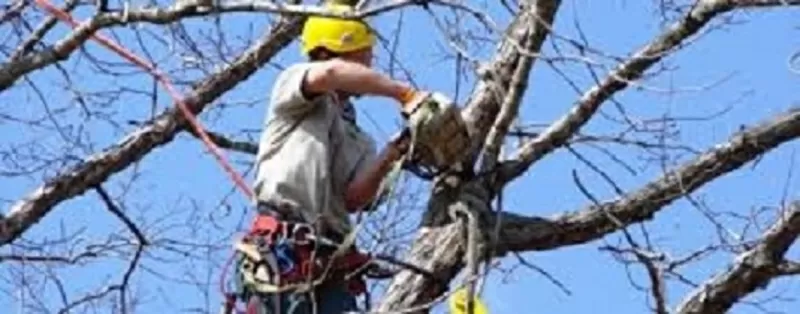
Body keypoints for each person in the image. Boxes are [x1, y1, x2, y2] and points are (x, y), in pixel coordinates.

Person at [244, 4, 432, 314]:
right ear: (339, 50)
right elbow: (330, 74)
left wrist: (395, 151)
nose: (370, 65)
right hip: (283, 250)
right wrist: (405, 94)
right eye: (364, 56)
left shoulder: (358, 138)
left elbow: (354, 198)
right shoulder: (294, 87)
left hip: (331, 263)